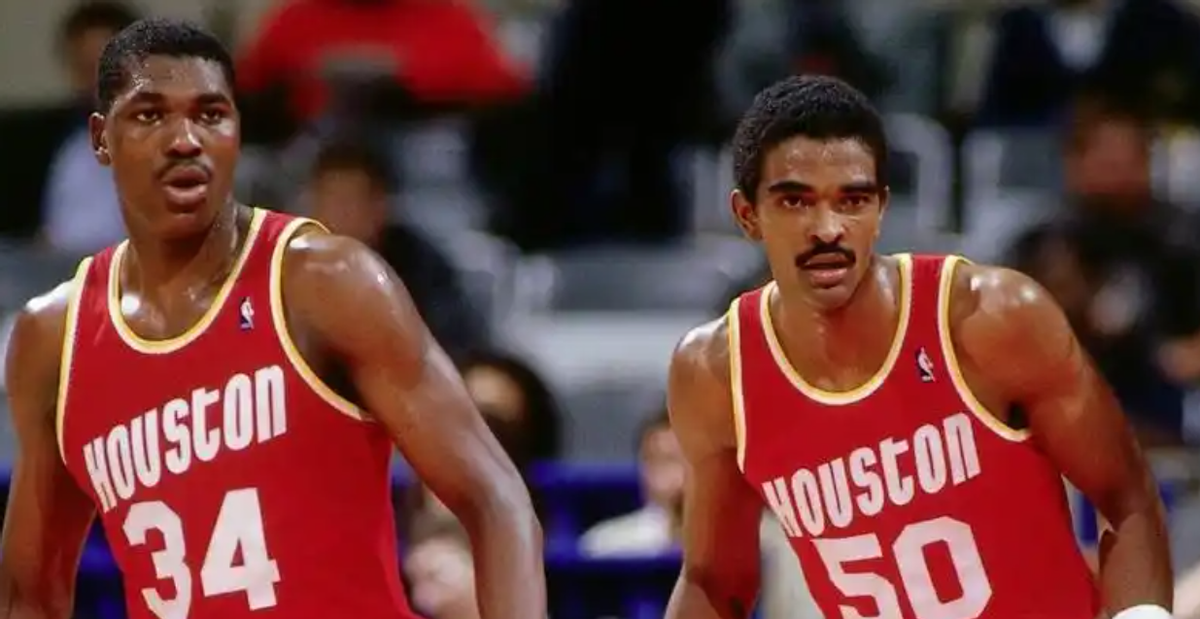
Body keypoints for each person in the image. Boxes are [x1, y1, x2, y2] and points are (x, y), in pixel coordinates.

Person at [0, 18, 544, 619]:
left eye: (210, 114)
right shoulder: (55, 338)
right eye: (150, 115)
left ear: (237, 131)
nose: (185, 139)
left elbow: (495, 497)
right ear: (101, 138)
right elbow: (31, 594)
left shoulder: (325, 282)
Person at [665, 75, 1172, 619]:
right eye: (796, 201)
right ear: (747, 215)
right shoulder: (716, 374)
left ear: (882, 208)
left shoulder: (990, 317)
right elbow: (713, 582)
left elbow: (1127, 500)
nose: (828, 228)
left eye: (853, 200)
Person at [579, 410, 686, 557]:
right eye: (652, 460)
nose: (661, 476)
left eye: (672, 460)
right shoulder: (605, 546)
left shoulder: (717, 545)